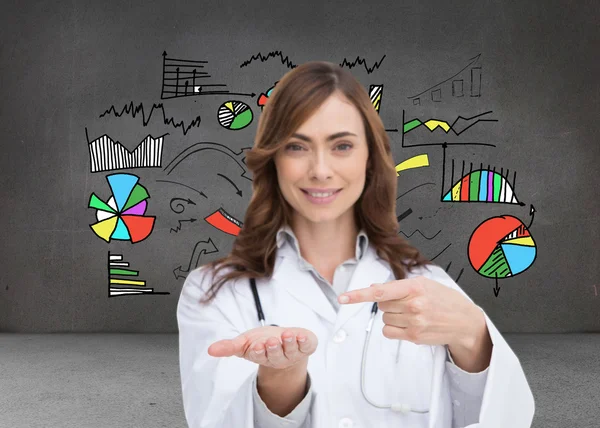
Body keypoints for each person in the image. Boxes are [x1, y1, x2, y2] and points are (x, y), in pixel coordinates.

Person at [177, 61, 535, 428]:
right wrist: (280, 378)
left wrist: (473, 337)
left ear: (370, 158)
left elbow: (506, 417)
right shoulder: (213, 293)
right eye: (297, 147)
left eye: (342, 146)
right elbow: (213, 419)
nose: (320, 170)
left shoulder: (427, 286)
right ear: (274, 160)